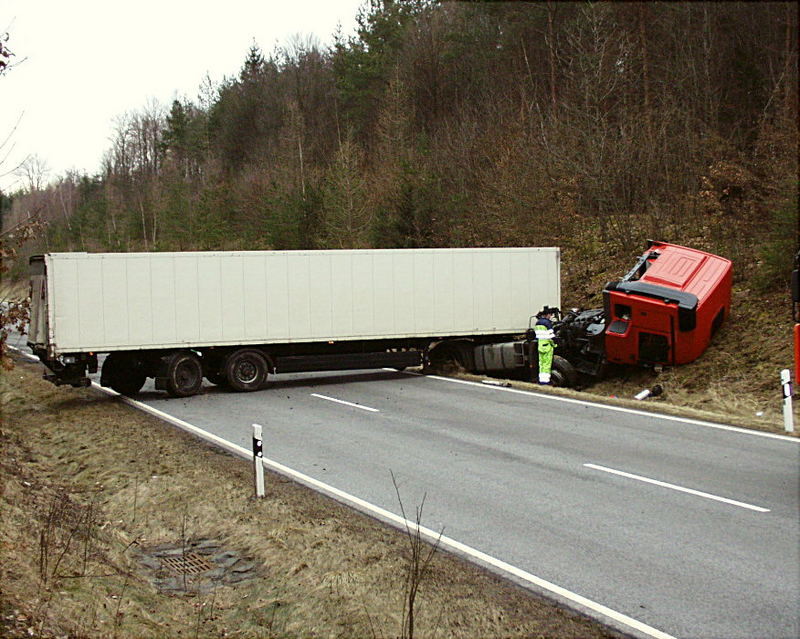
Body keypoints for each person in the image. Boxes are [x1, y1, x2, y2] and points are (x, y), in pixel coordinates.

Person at [534, 307, 557, 385]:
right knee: (547, 364)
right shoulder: (547, 323)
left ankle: (541, 380)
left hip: (540, 345)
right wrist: (555, 344)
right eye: (550, 315)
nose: (551, 316)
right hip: (547, 346)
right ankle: (546, 381)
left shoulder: (538, 323)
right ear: (547, 315)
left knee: (541, 363)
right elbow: (551, 336)